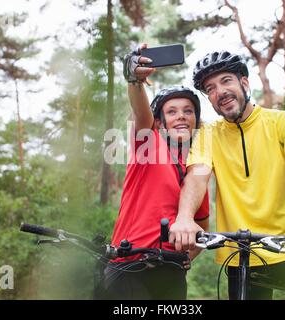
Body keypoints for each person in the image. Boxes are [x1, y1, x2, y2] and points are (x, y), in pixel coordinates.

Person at [169, 51, 285, 299]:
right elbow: (197, 176)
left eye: (226, 81)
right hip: (240, 256)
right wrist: (185, 218)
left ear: (244, 83)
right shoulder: (208, 134)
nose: (220, 92)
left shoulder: (284, 122)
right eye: (210, 88)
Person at [95, 44, 210, 300]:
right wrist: (135, 80)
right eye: (172, 111)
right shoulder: (149, 145)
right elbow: (141, 115)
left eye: (188, 111)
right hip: (128, 265)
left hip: (171, 271)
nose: (181, 116)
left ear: (195, 120)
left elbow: (202, 223)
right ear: (160, 122)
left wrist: (186, 257)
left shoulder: (195, 170)